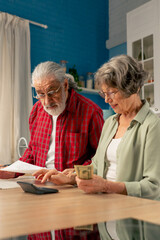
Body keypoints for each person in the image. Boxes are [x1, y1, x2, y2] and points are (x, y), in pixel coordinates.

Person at [33, 55, 160, 201]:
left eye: (111, 92)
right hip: (102, 206)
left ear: (132, 88)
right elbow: (97, 166)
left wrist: (106, 186)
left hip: (130, 211)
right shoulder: (111, 122)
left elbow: (154, 188)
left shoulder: (152, 126)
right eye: (104, 93)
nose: (106, 100)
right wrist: (71, 177)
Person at [0, 61, 104, 239]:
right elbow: (32, 152)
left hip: (75, 194)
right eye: (40, 94)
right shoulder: (37, 111)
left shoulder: (90, 111)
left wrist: (72, 176)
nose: (47, 101)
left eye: (52, 92)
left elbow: (101, 158)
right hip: (39, 191)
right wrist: (9, 171)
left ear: (64, 85)